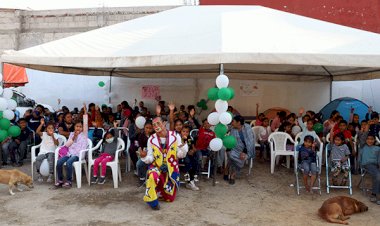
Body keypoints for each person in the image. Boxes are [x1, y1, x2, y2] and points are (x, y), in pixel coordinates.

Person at [140, 116, 188, 210]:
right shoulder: (151, 139)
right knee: (152, 176)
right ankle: (152, 201)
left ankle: (159, 191)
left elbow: (180, 155)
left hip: (171, 168)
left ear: (164, 123)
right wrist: (144, 157)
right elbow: (150, 158)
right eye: (154, 125)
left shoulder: (175, 136)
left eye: (158, 123)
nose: (156, 126)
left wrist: (183, 147)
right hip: (156, 166)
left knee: (169, 198)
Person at [54, 103, 88, 189]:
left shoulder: (84, 134)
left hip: (78, 155)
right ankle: (60, 180)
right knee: (59, 162)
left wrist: (85, 112)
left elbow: (86, 123)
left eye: (80, 127)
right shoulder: (72, 134)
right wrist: (73, 138)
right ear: (74, 127)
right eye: (77, 126)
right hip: (69, 153)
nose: (78, 128)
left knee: (69, 162)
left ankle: (69, 181)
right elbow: (67, 145)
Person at [227, 115, 255, 185]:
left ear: (238, 122)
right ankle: (228, 171)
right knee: (230, 154)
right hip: (236, 148)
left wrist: (244, 151)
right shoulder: (233, 129)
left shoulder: (247, 128)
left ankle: (232, 174)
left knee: (241, 158)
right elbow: (231, 141)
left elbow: (251, 142)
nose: (232, 123)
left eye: (233, 121)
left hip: (247, 149)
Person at [129, 121, 154, 186]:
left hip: (154, 154)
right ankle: (142, 178)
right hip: (145, 154)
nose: (148, 129)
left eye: (150, 128)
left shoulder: (155, 135)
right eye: (147, 127)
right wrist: (142, 152)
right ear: (144, 127)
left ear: (153, 128)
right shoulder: (141, 136)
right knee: (139, 164)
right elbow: (141, 147)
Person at [35, 118, 59, 182]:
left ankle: (51, 174)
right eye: (49, 128)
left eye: (52, 128)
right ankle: (39, 173)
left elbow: (56, 143)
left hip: (51, 152)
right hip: (43, 151)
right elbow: (37, 131)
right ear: (46, 129)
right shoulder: (44, 134)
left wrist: (53, 136)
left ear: (54, 129)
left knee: (50, 159)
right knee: (38, 159)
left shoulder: (55, 135)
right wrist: (41, 124)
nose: (50, 129)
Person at [358, 134, 380, 205]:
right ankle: (375, 194)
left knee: (378, 175)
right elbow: (362, 137)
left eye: (372, 139)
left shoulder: (378, 148)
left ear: (374, 140)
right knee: (378, 175)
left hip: (376, 165)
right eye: (368, 139)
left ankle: (375, 192)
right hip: (367, 164)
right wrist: (368, 126)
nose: (370, 140)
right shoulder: (362, 147)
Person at [180, 125, 199, 191]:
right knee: (189, 163)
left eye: (187, 132)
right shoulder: (179, 138)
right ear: (181, 131)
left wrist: (193, 150)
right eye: (183, 131)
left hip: (190, 154)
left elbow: (193, 147)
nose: (185, 133)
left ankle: (191, 181)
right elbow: (179, 148)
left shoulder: (190, 138)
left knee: (195, 162)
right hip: (182, 155)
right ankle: (188, 178)